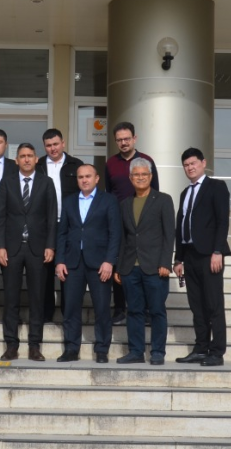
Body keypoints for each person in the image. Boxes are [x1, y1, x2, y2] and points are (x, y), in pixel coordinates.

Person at [0, 142, 57, 361]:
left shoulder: (46, 182)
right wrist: (0, 246)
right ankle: (11, 345)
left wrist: (50, 245)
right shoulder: (7, 182)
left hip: (38, 248)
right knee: (11, 298)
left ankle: (34, 346)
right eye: (23, 156)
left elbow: (51, 217)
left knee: (37, 299)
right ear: (17, 160)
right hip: (12, 248)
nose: (27, 159)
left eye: (30, 155)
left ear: (36, 159)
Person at [55, 164, 121, 363]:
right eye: (80, 177)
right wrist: (60, 261)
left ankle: (101, 349)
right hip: (72, 262)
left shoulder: (109, 200)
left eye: (88, 176)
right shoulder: (69, 201)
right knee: (70, 308)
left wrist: (110, 261)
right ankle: (71, 348)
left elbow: (115, 233)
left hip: (99, 263)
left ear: (97, 178)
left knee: (102, 308)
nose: (84, 180)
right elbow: (62, 233)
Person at [173, 147, 231, 367]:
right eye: (186, 165)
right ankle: (200, 348)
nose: (190, 168)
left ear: (203, 163)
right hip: (189, 255)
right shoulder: (184, 193)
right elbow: (180, 227)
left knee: (213, 304)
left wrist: (218, 251)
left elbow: (222, 221)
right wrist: (178, 259)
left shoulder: (216, 187)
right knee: (196, 305)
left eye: (193, 163)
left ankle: (217, 352)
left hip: (209, 255)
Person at [114, 158, 175, 365]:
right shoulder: (125, 204)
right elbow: (123, 238)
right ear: (130, 178)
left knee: (157, 311)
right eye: (136, 175)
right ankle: (136, 351)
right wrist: (119, 266)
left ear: (150, 176)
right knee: (134, 311)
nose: (140, 178)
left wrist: (166, 262)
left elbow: (169, 234)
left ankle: (158, 352)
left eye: (144, 174)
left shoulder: (163, 200)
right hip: (130, 268)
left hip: (155, 267)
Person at [103, 122, 160, 327]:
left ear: (134, 138)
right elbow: (109, 193)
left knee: (143, 264)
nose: (124, 143)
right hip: (119, 221)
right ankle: (120, 309)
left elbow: (155, 192)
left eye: (127, 138)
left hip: (143, 222)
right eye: (119, 140)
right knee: (119, 263)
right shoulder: (110, 164)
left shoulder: (147, 161)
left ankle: (146, 310)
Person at [35, 128, 83, 323]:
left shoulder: (76, 165)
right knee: (44, 271)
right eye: (48, 145)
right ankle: (46, 314)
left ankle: (67, 314)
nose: (53, 148)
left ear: (63, 143)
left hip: (69, 225)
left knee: (68, 270)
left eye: (56, 144)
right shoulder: (38, 166)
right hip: (44, 226)